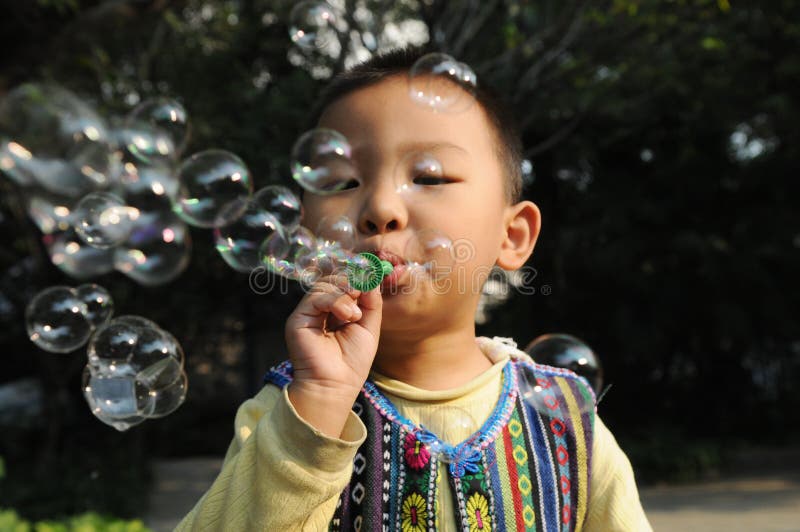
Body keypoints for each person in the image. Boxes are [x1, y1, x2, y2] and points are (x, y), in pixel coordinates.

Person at [177, 46, 652, 531]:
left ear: (512, 236)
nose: (380, 207)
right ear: (301, 234)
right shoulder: (287, 412)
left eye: (429, 176)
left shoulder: (567, 421)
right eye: (342, 182)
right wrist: (319, 401)